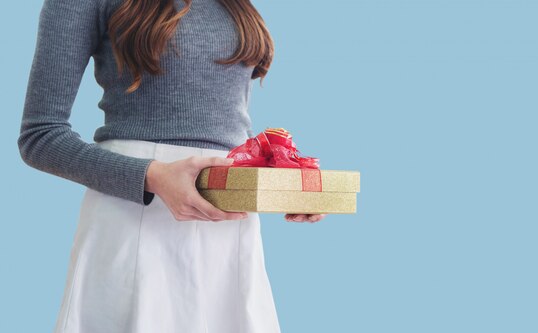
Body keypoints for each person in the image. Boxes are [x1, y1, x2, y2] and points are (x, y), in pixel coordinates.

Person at [17, 0, 325, 332]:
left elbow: (229, 131)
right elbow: (40, 136)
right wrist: (154, 176)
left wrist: (283, 178)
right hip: (134, 218)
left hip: (227, 234)